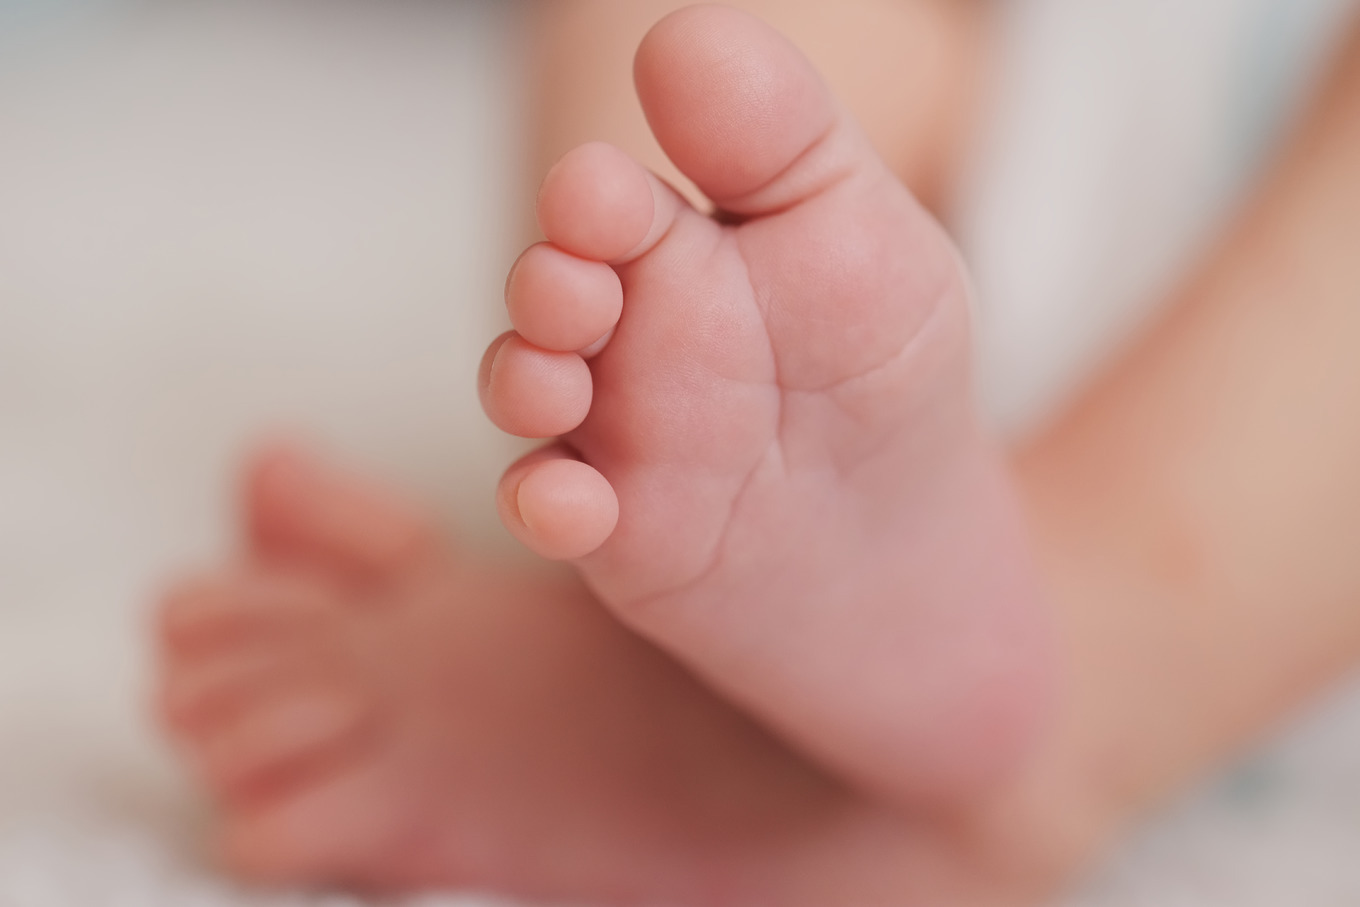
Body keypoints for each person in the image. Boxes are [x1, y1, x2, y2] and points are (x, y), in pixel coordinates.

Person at [153, 3, 1360, 904]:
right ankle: (733, 446)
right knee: (726, 69)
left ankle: (1059, 689)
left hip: (1281, 502)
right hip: (1040, 126)